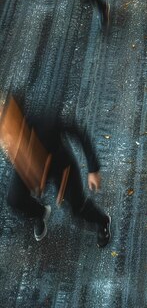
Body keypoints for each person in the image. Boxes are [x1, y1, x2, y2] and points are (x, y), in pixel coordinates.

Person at [4, 104, 111, 248]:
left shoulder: (45, 122)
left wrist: (93, 169)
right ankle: (40, 213)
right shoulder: (12, 140)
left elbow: (78, 132)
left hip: (60, 167)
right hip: (30, 166)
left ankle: (102, 221)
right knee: (14, 198)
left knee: (77, 208)